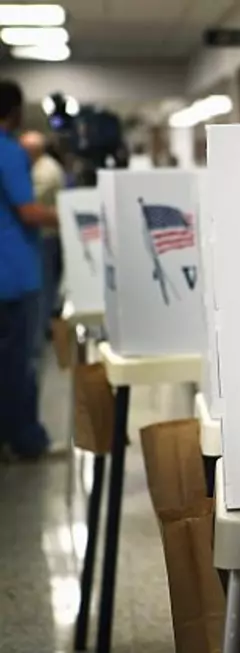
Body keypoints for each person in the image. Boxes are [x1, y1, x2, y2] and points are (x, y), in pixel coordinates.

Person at [0, 80, 59, 460]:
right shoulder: (9, 152)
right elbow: (27, 210)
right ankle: (26, 440)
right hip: (15, 274)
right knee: (21, 361)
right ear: (16, 112)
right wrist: (68, 216)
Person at [20, 130, 66, 350]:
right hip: (44, 237)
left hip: (47, 238)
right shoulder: (37, 167)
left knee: (45, 288)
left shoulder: (45, 171)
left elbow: (28, 205)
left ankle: (41, 332)